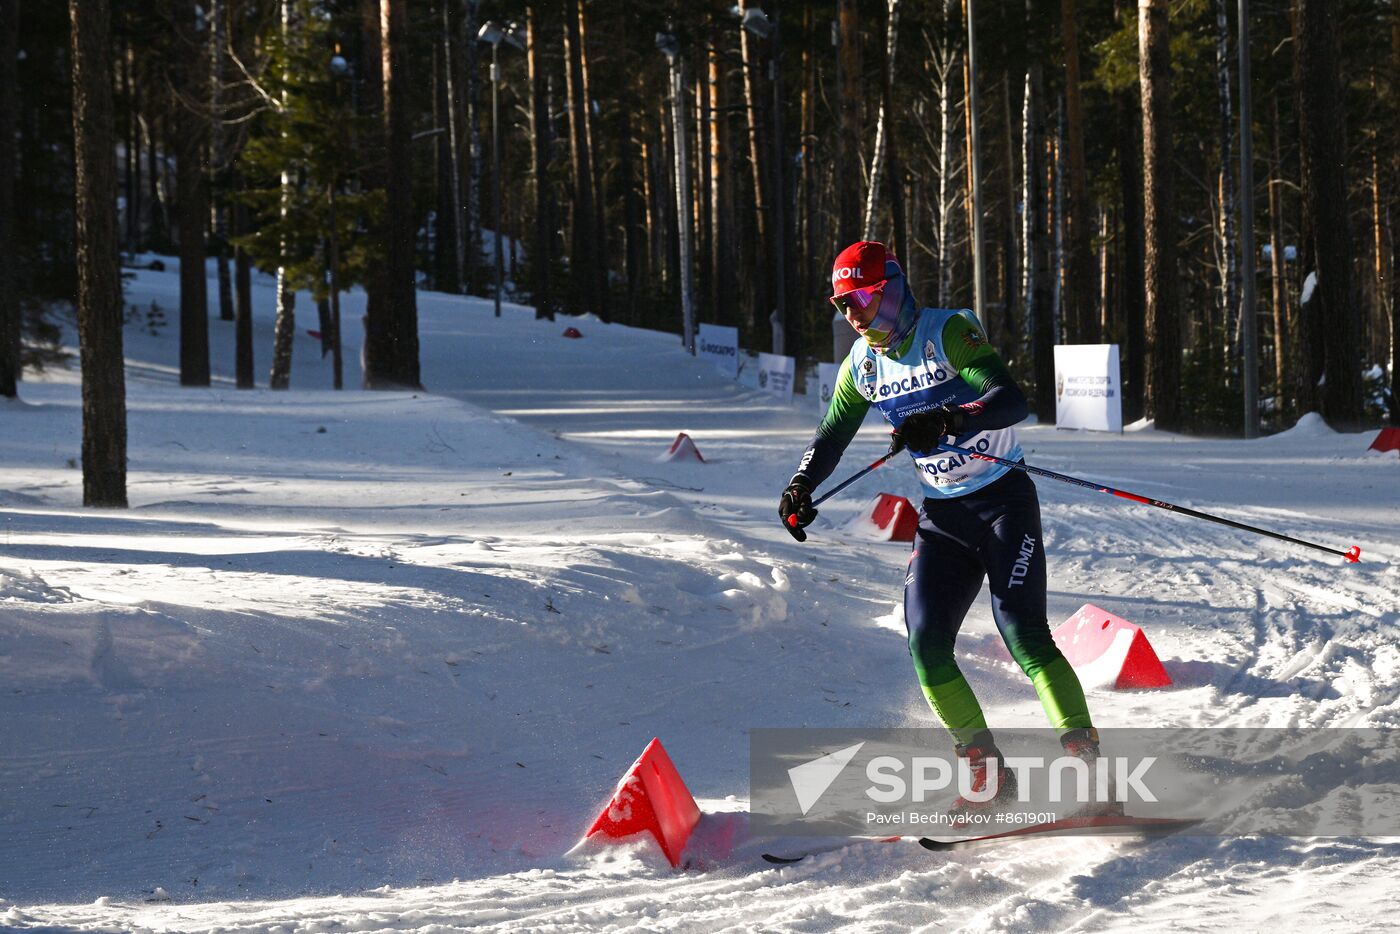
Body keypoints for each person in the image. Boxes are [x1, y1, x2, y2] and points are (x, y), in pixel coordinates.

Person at [779, 240, 1104, 814]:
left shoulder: (947, 331)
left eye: (860, 299)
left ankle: (1089, 773)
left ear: (892, 289)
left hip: (1003, 503)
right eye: (841, 305)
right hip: (943, 516)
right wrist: (801, 486)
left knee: (1024, 636)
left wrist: (950, 418)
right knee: (926, 644)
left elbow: (1010, 399)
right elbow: (832, 436)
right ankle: (989, 777)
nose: (852, 315)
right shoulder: (863, 365)